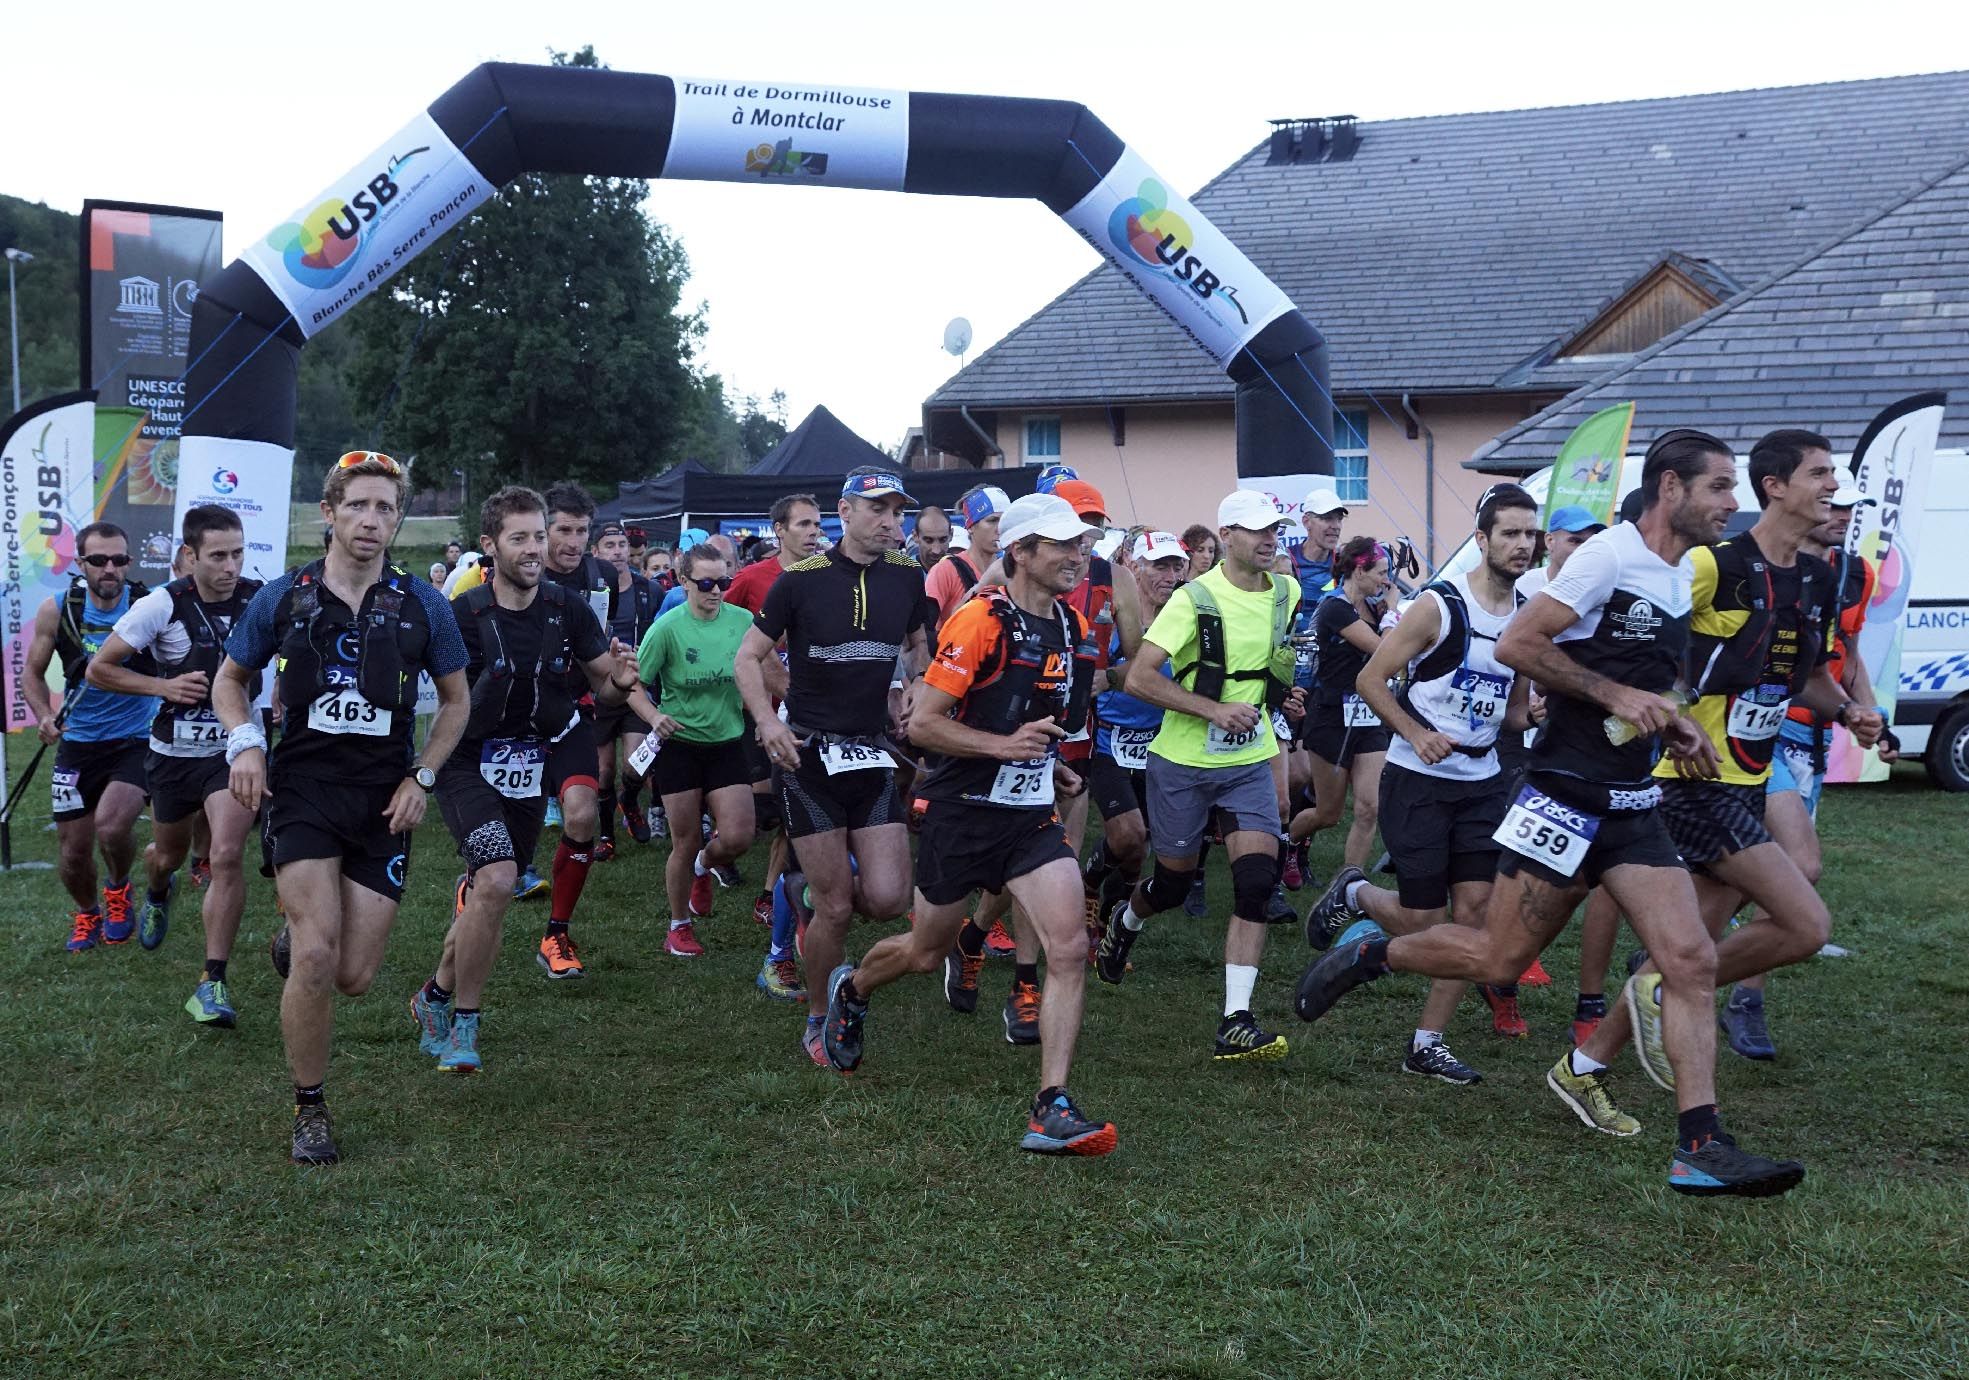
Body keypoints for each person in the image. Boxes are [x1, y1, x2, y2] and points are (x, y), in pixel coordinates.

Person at [1295, 429, 1808, 1198]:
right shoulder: (1607, 558)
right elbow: (1517, 645)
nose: (1730, 503)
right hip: (1562, 798)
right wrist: (1613, 695)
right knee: (1495, 960)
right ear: (1670, 488)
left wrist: (1671, 721)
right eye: (1718, 487)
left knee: (1690, 959)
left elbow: (1640, 679)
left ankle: (1699, 1145)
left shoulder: (1678, 576)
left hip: (1631, 805)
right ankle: (1372, 956)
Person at [1571, 429, 1882, 1115]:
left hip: (1749, 778)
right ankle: (1666, 1013)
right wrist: (1648, 708)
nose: (1833, 487)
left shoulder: (1818, 579)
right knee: (1805, 924)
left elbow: (1805, 675)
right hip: (1689, 779)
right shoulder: (1713, 565)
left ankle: (1583, 1064)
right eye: (1820, 474)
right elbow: (1642, 644)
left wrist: (1847, 711)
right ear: (1776, 486)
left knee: (1689, 953)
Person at [820, 493, 1116, 1155]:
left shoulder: (1071, 626)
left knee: (1070, 948)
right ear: (1021, 552)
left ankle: (1051, 1106)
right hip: (961, 815)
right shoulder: (980, 621)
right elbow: (923, 726)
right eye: (1061, 544)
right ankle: (854, 988)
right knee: (925, 953)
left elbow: (1039, 721)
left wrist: (1048, 767)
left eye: (1081, 543)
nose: (1077, 555)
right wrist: (1003, 748)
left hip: (1028, 818)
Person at [215, 450, 469, 1166]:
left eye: (386, 507)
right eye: (358, 504)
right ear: (329, 512)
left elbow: (457, 702)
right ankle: (310, 1107)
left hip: (383, 798)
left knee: (353, 975)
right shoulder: (283, 596)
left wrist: (421, 777)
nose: (371, 519)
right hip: (301, 789)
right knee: (320, 955)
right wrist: (245, 746)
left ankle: (296, 938)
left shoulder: (424, 604)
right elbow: (229, 680)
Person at [1298, 486, 1538, 1085]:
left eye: (1530, 534)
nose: (1523, 545)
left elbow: (1510, 712)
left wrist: (1531, 716)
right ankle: (1356, 894)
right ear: (1481, 540)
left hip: (1482, 781)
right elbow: (1371, 678)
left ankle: (1427, 1043)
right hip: (1418, 779)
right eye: (1510, 533)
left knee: (1473, 921)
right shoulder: (1439, 605)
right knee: (1424, 922)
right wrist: (1416, 732)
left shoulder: (1528, 615)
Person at [410, 486, 651, 1073]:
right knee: (496, 880)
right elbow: (443, 699)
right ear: (490, 546)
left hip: (532, 758)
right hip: (468, 761)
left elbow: (603, 685)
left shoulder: (567, 608)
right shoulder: (463, 614)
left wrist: (620, 681)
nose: (534, 549)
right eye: (519, 538)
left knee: (491, 893)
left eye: (539, 536)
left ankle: (433, 995)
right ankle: (465, 1025)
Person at [1095, 490, 1306, 1062]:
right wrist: (1212, 710)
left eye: (1276, 529)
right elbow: (1140, 678)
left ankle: (1236, 1019)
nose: (1270, 539)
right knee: (1171, 883)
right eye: (1257, 530)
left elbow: (1264, 664)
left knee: (1256, 882)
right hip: (1183, 763)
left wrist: (1282, 696)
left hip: (1248, 761)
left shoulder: (1287, 592)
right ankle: (1126, 920)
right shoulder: (1194, 599)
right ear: (1227, 535)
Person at [734, 467, 932, 1068]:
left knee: (890, 899)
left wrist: (917, 684)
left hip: (870, 751)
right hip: (807, 754)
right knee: (838, 907)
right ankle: (822, 1016)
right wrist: (768, 723)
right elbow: (747, 658)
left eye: (897, 512)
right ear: (843, 512)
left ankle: (802, 894)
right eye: (878, 510)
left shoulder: (908, 574)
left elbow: (918, 644)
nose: (891, 522)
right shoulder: (800, 580)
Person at [85, 507, 264, 1024]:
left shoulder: (260, 599)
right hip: (173, 757)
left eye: (238, 554)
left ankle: (212, 982)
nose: (230, 566)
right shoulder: (161, 604)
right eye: (218, 556)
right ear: (189, 555)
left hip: (232, 751)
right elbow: (99, 668)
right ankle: (159, 889)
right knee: (167, 854)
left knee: (226, 855)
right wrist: (163, 686)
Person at [1734, 471, 1888, 1056]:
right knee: (1799, 865)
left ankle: (1678, 959)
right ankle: (1738, 995)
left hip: (1813, 738)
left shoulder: (1854, 575)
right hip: (1755, 734)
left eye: (1851, 507)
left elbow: (1847, 657)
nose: (1842, 515)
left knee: (1744, 874)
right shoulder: (1748, 564)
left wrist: (1865, 713)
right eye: (1834, 504)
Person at [25, 522, 158, 951]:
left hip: (135, 738)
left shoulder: (149, 606)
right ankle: (87, 912)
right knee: (73, 852)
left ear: (129, 562)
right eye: (99, 560)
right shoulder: (58, 609)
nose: (109, 569)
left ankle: (118, 889)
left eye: (119, 560)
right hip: (79, 742)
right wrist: (44, 715)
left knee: (112, 827)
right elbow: (32, 673)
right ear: (81, 564)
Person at [508, 481, 619, 966]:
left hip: (571, 711)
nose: (573, 542)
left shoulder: (600, 577)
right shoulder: (510, 573)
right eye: (563, 531)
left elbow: (599, 651)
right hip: (510, 721)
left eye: (582, 531)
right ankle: (491, 878)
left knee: (580, 813)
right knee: (509, 834)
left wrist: (615, 677)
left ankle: (556, 933)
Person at [637, 542, 759, 957]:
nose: (717, 590)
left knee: (739, 837)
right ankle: (678, 926)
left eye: (724, 581)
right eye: (706, 583)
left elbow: (763, 670)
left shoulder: (743, 621)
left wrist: (768, 717)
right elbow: (634, 685)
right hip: (680, 746)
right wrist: (654, 716)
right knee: (685, 839)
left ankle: (704, 866)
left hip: (727, 742)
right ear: (683, 582)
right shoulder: (667, 628)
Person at [1070, 530, 1185, 961]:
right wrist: (1107, 677)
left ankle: (1111, 923)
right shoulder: (1114, 612)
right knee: (1128, 834)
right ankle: (1088, 884)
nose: (1169, 576)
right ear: (1134, 567)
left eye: (1176, 566)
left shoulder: (1186, 618)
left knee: (1138, 848)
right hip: (1109, 740)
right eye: (1159, 566)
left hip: (1162, 744)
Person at [725, 493, 824, 992]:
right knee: (761, 812)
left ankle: (771, 896)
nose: (813, 532)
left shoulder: (829, 575)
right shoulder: (753, 578)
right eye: (803, 524)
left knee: (793, 818)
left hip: (811, 715)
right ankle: (713, 855)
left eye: (817, 524)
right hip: (759, 713)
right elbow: (721, 623)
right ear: (779, 530)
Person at [1290, 537, 1393, 870]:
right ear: (1359, 571)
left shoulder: (1374, 607)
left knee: (1369, 808)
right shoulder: (1335, 606)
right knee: (1328, 813)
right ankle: (1285, 846)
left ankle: (1349, 884)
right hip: (1331, 716)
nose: (1386, 581)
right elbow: (1384, 652)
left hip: (1369, 715)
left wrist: (1387, 613)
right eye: (1381, 572)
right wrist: (1392, 616)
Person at [587, 520, 662, 860]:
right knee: (603, 771)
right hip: (600, 688)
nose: (618, 551)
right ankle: (606, 836)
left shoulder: (649, 590)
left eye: (621, 544)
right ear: (596, 551)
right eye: (610, 545)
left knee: (637, 763)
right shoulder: (589, 590)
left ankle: (629, 800)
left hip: (636, 688)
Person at [925, 485, 1008, 623]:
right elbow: (927, 627)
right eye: (992, 520)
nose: (1000, 528)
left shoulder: (1012, 568)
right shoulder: (946, 570)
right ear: (970, 526)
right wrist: (985, 585)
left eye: (1004, 520)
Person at [912, 505, 954, 569]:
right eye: (928, 541)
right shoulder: (902, 571)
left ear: (951, 535)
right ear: (915, 536)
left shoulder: (961, 570)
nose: (936, 551)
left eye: (943, 540)